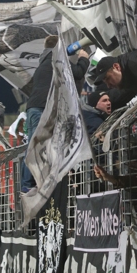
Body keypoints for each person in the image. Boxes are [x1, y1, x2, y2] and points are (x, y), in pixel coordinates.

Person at [21, 35, 90, 193]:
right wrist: (83, 58)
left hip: (35, 108)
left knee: (35, 146)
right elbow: (78, 72)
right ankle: (30, 184)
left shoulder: (44, 63)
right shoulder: (54, 59)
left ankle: (29, 184)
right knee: (38, 146)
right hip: (43, 109)